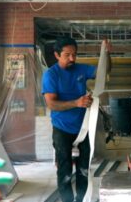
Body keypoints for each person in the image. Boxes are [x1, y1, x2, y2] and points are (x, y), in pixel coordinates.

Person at [41, 36, 111, 202]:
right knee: (65, 170)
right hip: (62, 128)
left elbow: (104, 72)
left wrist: (107, 54)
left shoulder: (80, 69)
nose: (72, 58)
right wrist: (76, 103)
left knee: (84, 167)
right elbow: (51, 104)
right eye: (67, 55)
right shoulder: (51, 75)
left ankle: (81, 198)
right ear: (57, 55)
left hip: (84, 127)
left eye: (74, 54)